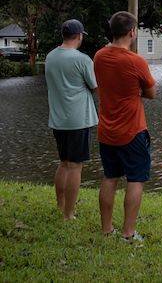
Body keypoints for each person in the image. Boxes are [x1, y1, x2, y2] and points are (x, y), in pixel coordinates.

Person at [94, 11, 156, 241]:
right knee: (135, 179)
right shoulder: (135, 61)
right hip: (132, 131)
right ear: (132, 32)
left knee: (110, 177)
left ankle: (106, 229)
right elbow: (152, 93)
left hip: (106, 130)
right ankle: (128, 233)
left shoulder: (99, 56)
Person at [45, 19, 98, 220]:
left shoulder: (50, 57)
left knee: (64, 163)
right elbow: (95, 87)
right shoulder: (82, 59)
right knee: (75, 166)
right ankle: (69, 214)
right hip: (78, 120)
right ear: (79, 36)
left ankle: (60, 205)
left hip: (58, 120)